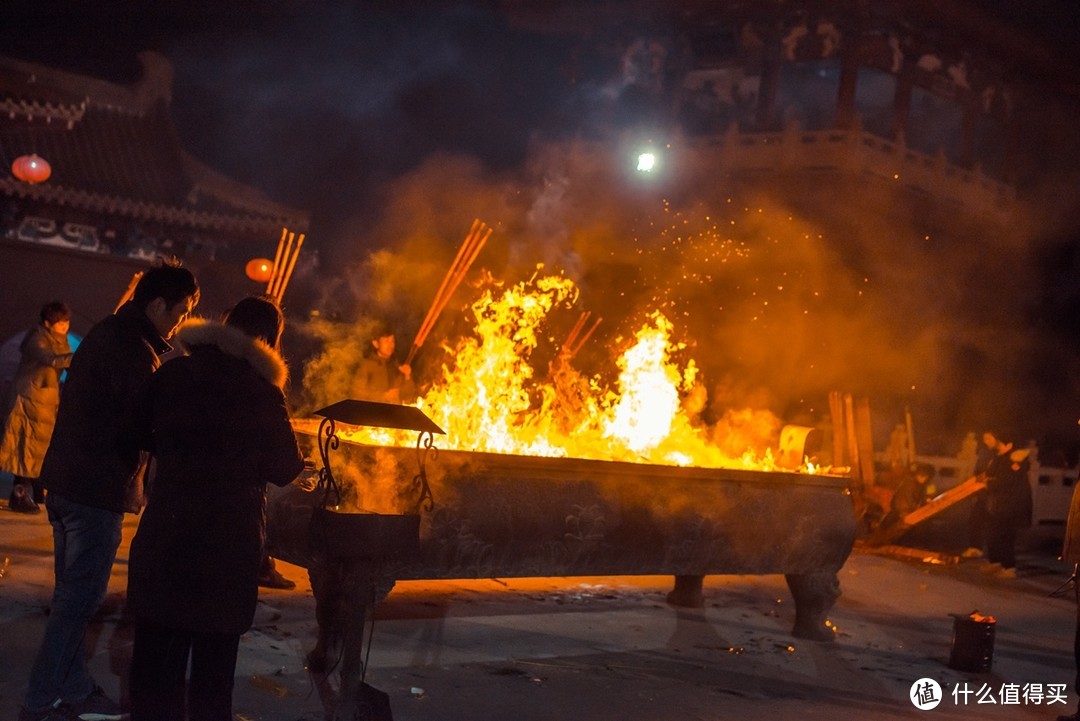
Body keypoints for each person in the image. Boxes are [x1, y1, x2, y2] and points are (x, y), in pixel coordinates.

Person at [19, 262, 198, 721]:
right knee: (78, 603)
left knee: (72, 600)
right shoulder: (133, 349)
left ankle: (74, 686)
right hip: (92, 492)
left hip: (66, 483)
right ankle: (40, 700)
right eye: (179, 312)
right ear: (157, 304)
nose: (179, 323)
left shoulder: (111, 333)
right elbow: (144, 423)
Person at [126, 296, 304, 721]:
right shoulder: (262, 391)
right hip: (227, 542)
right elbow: (284, 467)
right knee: (213, 664)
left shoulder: (175, 372)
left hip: (169, 530)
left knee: (155, 658)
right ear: (269, 342)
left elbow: (138, 430)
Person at [0, 302, 73, 513]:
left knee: (41, 449)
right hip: (27, 401)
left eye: (67, 322)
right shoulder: (37, 338)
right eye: (61, 323)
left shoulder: (60, 340)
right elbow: (50, 360)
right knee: (24, 448)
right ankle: (19, 494)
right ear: (48, 323)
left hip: (45, 402)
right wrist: (81, 354)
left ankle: (40, 491)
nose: (65, 327)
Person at [980, 430, 1033, 579]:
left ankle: (1009, 567)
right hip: (997, 503)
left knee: (1006, 535)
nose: (987, 442)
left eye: (989, 438)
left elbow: (1008, 480)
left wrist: (989, 485)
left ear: (1006, 443)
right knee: (992, 532)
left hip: (1011, 504)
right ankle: (995, 562)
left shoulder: (1015, 458)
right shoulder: (998, 458)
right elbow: (990, 474)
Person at [350, 325, 416, 403]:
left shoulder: (396, 365)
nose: (391, 345)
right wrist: (383, 396)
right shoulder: (366, 365)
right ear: (376, 344)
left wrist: (407, 377)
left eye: (392, 341)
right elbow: (356, 394)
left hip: (394, 412)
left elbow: (407, 396)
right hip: (372, 413)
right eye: (386, 341)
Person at [960, 431, 999, 559]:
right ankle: (975, 547)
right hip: (981, 493)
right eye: (985, 439)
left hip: (995, 495)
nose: (987, 441)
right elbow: (977, 472)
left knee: (995, 525)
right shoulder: (984, 453)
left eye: (989, 438)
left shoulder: (1001, 455)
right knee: (974, 520)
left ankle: (998, 556)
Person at [879, 463, 936, 530]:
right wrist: (914, 508)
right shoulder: (909, 483)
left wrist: (927, 499)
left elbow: (921, 495)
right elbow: (907, 499)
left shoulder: (921, 484)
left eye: (926, 478)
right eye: (923, 477)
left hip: (907, 507)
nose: (924, 480)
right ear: (918, 475)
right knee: (901, 525)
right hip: (901, 507)